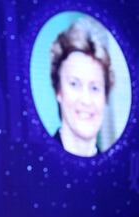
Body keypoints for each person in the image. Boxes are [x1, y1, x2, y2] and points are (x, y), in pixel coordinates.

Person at [50, 17, 114, 157]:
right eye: (74, 84)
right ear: (58, 91)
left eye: (95, 88)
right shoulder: (33, 167)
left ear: (105, 97)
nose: (86, 100)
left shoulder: (118, 174)